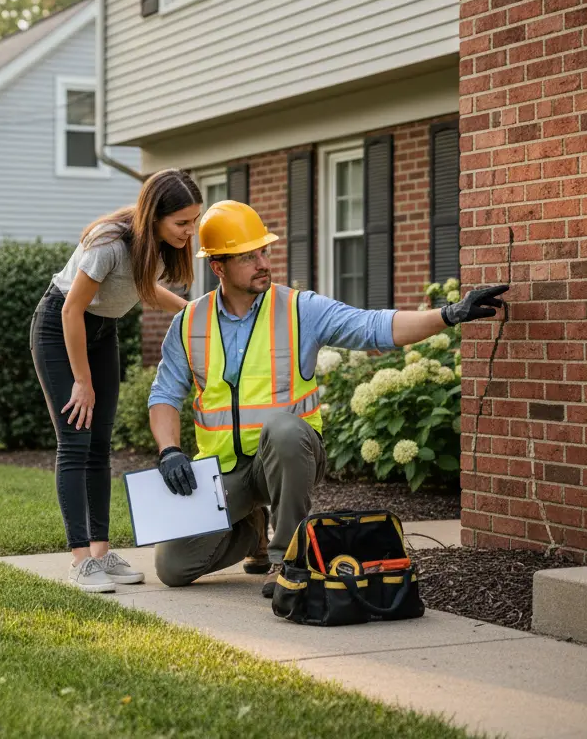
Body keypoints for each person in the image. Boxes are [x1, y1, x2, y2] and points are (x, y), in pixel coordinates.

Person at [147, 200, 508, 598]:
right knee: (173, 566)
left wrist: (448, 315)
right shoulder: (189, 323)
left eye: (263, 251)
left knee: (283, 430)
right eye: (248, 257)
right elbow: (165, 394)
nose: (263, 263)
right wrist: (170, 451)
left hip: (290, 456)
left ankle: (287, 558)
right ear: (218, 267)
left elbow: (372, 326)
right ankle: (252, 531)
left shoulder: (299, 309)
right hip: (227, 470)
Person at [31, 169, 204, 592]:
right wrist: (82, 381)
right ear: (155, 215)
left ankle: (100, 553)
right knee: (76, 441)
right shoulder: (109, 243)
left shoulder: (158, 247)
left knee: (100, 446)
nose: (190, 231)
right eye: (182, 222)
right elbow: (71, 310)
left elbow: (143, 290)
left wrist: (194, 314)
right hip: (60, 328)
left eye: (194, 221)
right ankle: (80, 562)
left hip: (103, 331)